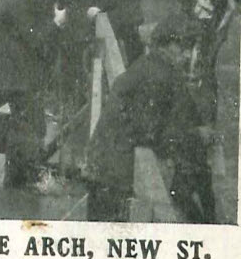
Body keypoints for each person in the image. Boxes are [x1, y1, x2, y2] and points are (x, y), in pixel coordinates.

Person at [84, 11, 214, 222]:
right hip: (115, 174)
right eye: (183, 48)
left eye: (191, 48)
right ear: (166, 44)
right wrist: (196, 135)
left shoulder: (150, 65)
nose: (188, 55)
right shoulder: (159, 76)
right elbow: (150, 134)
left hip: (104, 167)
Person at [0, 0, 64, 189]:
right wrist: (56, 23)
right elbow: (35, 39)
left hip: (14, 75)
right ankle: (23, 178)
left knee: (21, 126)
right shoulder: (18, 3)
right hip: (21, 77)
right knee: (28, 127)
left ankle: (16, 177)